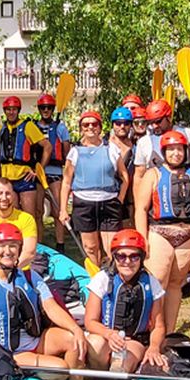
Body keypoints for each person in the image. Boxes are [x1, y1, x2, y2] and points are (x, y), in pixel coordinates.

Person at [0, 222, 87, 380]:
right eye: (1, 246)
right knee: (60, 368)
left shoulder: (30, 277)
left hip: (35, 340)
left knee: (73, 340)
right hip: (7, 353)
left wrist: (76, 329)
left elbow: (51, 306)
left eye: (13, 246)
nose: (7, 251)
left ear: (19, 249)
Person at [135, 131, 190, 333]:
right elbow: (141, 208)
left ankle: (169, 332)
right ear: (164, 151)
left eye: (179, 149)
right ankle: (152, 331)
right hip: (160, 231)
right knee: (157, 282)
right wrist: (143, 239)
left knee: (175, 284)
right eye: (171, 149)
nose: (176, 153)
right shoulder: (153, 174)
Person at [84, 229, 169, 376]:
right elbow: (90, 321)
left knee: (121, 365)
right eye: (121, 256)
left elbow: (159, 325)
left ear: (141, 258)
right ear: (114, 257)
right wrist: (109, 334)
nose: (127, 262)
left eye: (134, 256)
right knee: (96, 345)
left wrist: (154, 347)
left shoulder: (151, 283)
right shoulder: (103, 279)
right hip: (105, 336)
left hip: (134, 340)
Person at [61, 110, 127, 268]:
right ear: (81, 128)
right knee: (90, 248)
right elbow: (66, 182)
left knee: (112, 247)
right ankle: (94, 279)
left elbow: (125, 178)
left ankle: (113, 278)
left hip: (109, 202)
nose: (90, 127)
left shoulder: (111, 149)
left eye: (94, 124)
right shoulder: (75, 152)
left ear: (100, 127)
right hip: (84, 204)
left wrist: (120, 200)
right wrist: (63, 209)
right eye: (86, 124)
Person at [0, 95, 48, 224]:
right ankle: (15, 243)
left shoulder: (28, 126)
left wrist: (38, 170)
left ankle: (33, 243)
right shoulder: (0, 129)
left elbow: (47, 147)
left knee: (29, 216)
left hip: (24, 177)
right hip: (7, 179)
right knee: (11, 216)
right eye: (8, 109)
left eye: (14, 109)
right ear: (5, 111)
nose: (11, 112)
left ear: (18, 110)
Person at [132, 99, 190, 192]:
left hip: (189, 190)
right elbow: (138, 176)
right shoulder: (144, 142)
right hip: (160, 194)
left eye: (158, 121)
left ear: (168, 117)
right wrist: (137, 205)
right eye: (151, 122)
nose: (154, 126)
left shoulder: (188, 133)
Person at [36, 93, 73, 246]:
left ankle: (60, 243)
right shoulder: (33, 127)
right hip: (38, 173)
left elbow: (66, 148)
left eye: (49, 107)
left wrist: (65, 165)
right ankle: (39, 243)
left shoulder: (60, 127)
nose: (46, 110)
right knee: (38, 211)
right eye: (43, 107)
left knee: (58, 209)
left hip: (55, 173)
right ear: (39, 109)